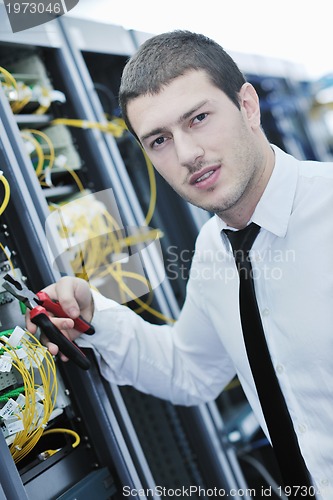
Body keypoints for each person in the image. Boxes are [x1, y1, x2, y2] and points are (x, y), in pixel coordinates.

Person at [27, 30, 333, 496]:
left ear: (247, 106)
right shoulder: (216, 250)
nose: (188, 154)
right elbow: (189, 370)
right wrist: (95, 315)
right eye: (159, 140)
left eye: (199, 118)